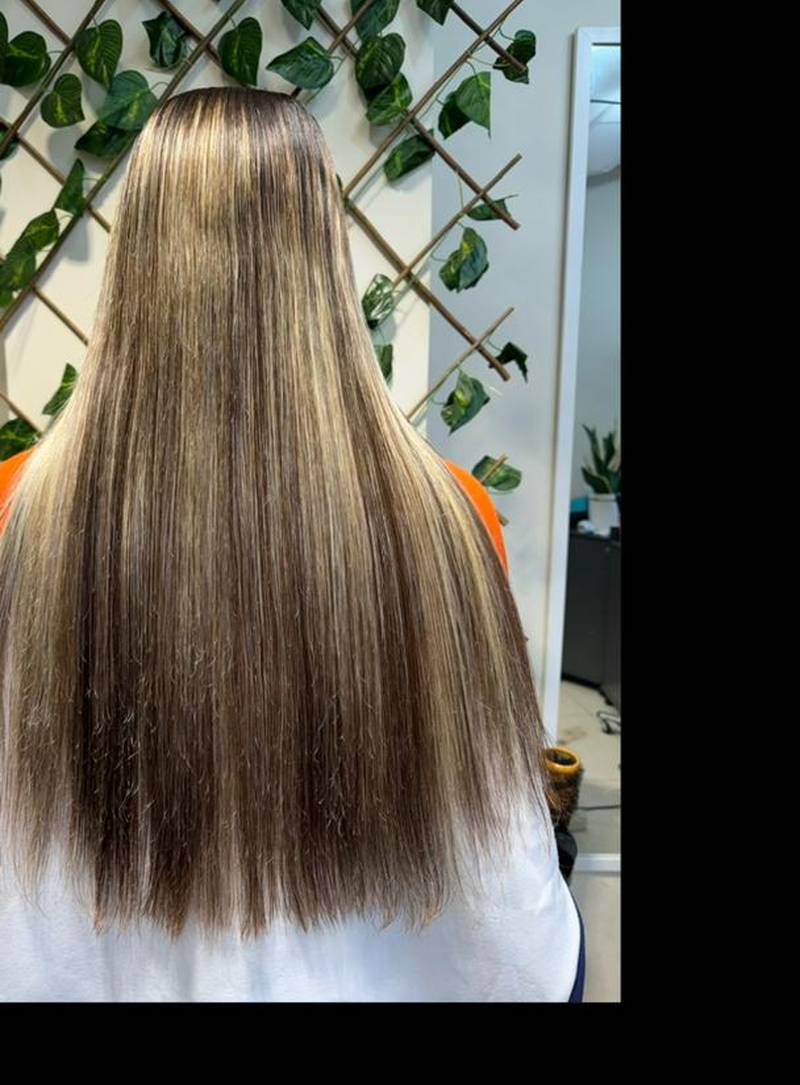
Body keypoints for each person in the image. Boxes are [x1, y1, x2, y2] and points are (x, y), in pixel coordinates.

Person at [0, 87, 584, 1003]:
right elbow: (509, 913)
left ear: (137, 249)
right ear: (324, 251)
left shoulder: (18, 512)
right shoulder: (453, 519)